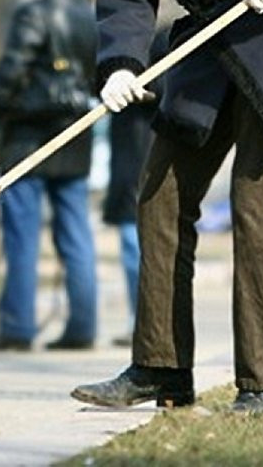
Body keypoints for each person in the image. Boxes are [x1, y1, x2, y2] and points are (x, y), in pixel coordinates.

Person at [72, 0, 263, 413]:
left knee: (258, 206)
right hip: (210, 41)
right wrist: (120, 62)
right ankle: (161, 369)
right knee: (161, 196)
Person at [0, 0, 98, 352]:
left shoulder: (32, 14)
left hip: (28, 136)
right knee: (75, 231)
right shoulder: (90, 16)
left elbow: (10, 73)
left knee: (21, 234)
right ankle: (82, 325)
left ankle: (18, 327)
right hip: (75, 133)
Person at [105, 29, 167, 348]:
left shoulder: (165, 34)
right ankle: (138, 320)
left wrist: (146, 87)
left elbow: (173, 84)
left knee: (138, 242)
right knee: (132, 239)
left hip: (147, 150)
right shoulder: (122, 34)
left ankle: (146, 324)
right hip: (130, 146)